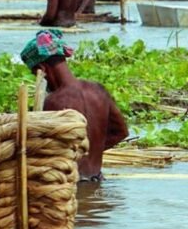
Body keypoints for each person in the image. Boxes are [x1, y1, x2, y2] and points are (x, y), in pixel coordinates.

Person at [20, 31, 128, 181]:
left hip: (69, 187)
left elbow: (41, 150)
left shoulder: (53, 102)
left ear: (42, 70)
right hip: (96, 181)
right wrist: (92, 153)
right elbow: (121, 132)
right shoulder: (98, 90)